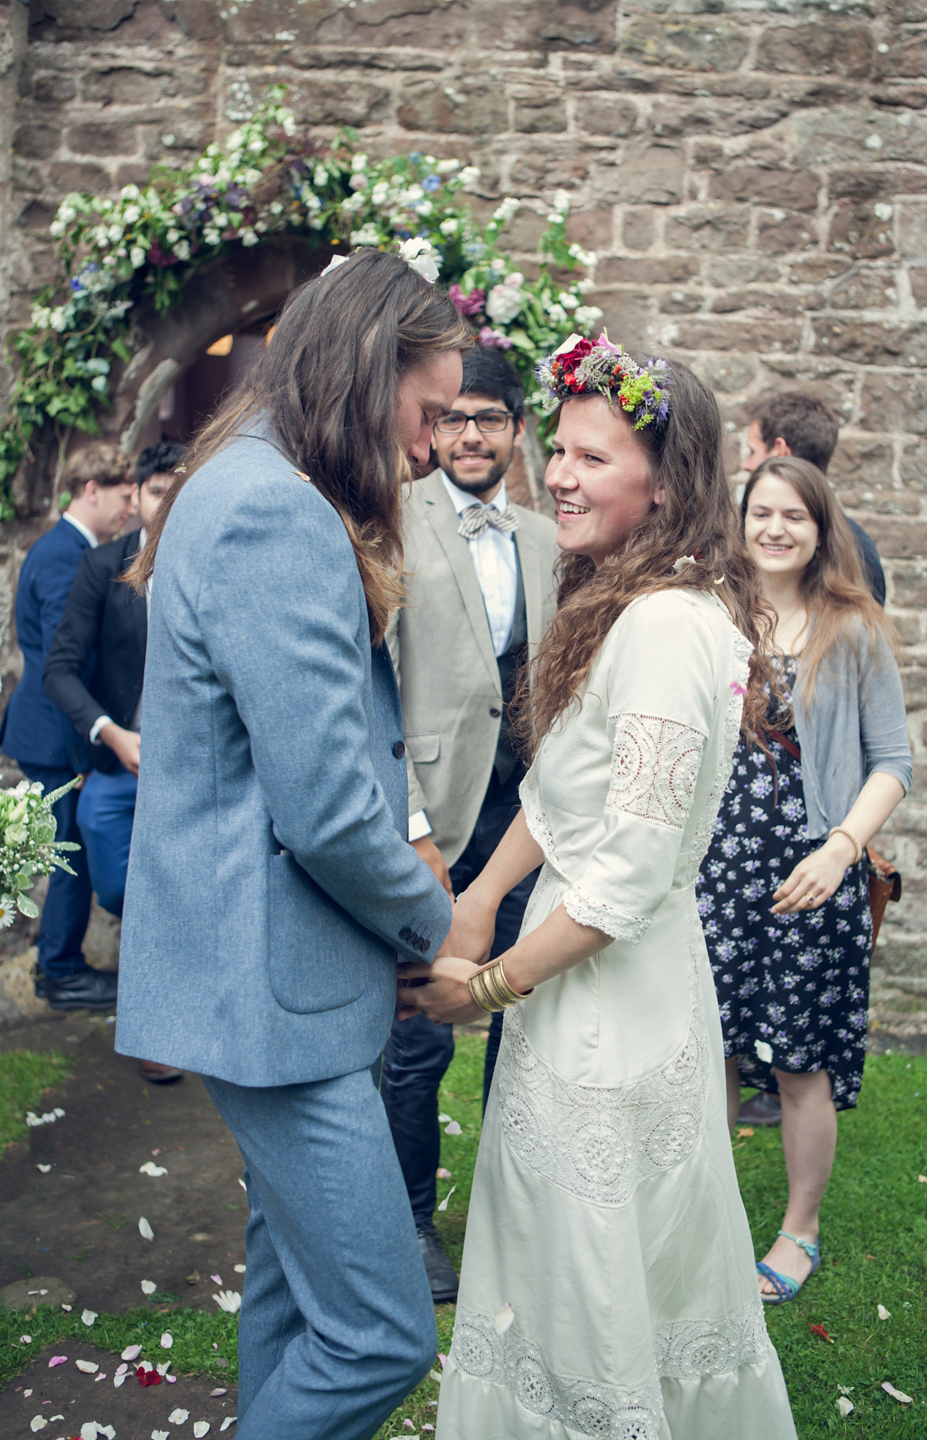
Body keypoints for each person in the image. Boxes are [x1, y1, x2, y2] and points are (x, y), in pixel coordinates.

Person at [399, 336, 797, 1438]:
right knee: (564, 1261)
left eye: (592, 456)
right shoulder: (623, 599)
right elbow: (567, 789)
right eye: (560, 451)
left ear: (665, 485)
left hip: (613, 1013)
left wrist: (477, 991)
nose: (558, 475)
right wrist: (479, 896)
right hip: (574, 993)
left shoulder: (669, 627)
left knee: (596, 1274)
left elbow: (623, 881)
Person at [114, 249, 470, 1440]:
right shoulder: (272, 506)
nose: (429, 448)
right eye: (427, 415)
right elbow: (323, 807)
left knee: (293, 1299)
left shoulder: (253, 479)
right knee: (379, 1334)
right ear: (369, 376)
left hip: (268, 981)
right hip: (273, 994)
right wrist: (441, 927)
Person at [697, 455, 911, 1305]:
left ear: (821, 530)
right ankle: (704, 1222)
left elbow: (892, 763)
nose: (775, 529)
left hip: (807, 884)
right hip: (714, 877)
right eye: (761, 513)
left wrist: (841, 850)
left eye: (795, 515)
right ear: (740, 522)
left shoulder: (851, 628)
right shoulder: (713, 620)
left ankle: (799, 1231)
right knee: (704, 1051)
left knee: (797, 1066)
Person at [382, 346, 557, 1304]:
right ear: (435, 428)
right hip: (432, 823)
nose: (472, 435)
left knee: (519, 1016)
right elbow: (381, 685)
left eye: (491, 419)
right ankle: (411, 1218)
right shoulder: (393, 523)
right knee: (417, 1032)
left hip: (530, 815)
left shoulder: (544, 536)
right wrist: (408, 819)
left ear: (516, 431)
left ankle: (505, 1209)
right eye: (455, 418)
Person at [44, 441, 186, 1082]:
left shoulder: (220, 564)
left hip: (194, 774)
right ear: (137, 497)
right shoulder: (102, 567)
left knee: (178, 895)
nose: (171, 498)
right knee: (118, 888)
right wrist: (114, 735)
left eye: (185, 485)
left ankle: (163, 1031)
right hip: (118, 768)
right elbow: (60, 670)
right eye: (159, 488)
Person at [0, 443, 137, 1010]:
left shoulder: (60, 547)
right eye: (124, 495)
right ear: (91, 490)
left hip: (48, 731)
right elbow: (67, 664)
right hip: (57, 736)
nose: (129, 508)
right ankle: (60, 973)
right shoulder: (66, 557)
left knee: (68, 849)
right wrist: (89, 751)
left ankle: (61, 966)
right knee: (69, 854)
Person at [744, 390, 886, 606]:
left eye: (752, 451)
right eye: (761, 514)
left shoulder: (856, 556)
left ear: (779, 451)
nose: (746, 464)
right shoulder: (860, 546)